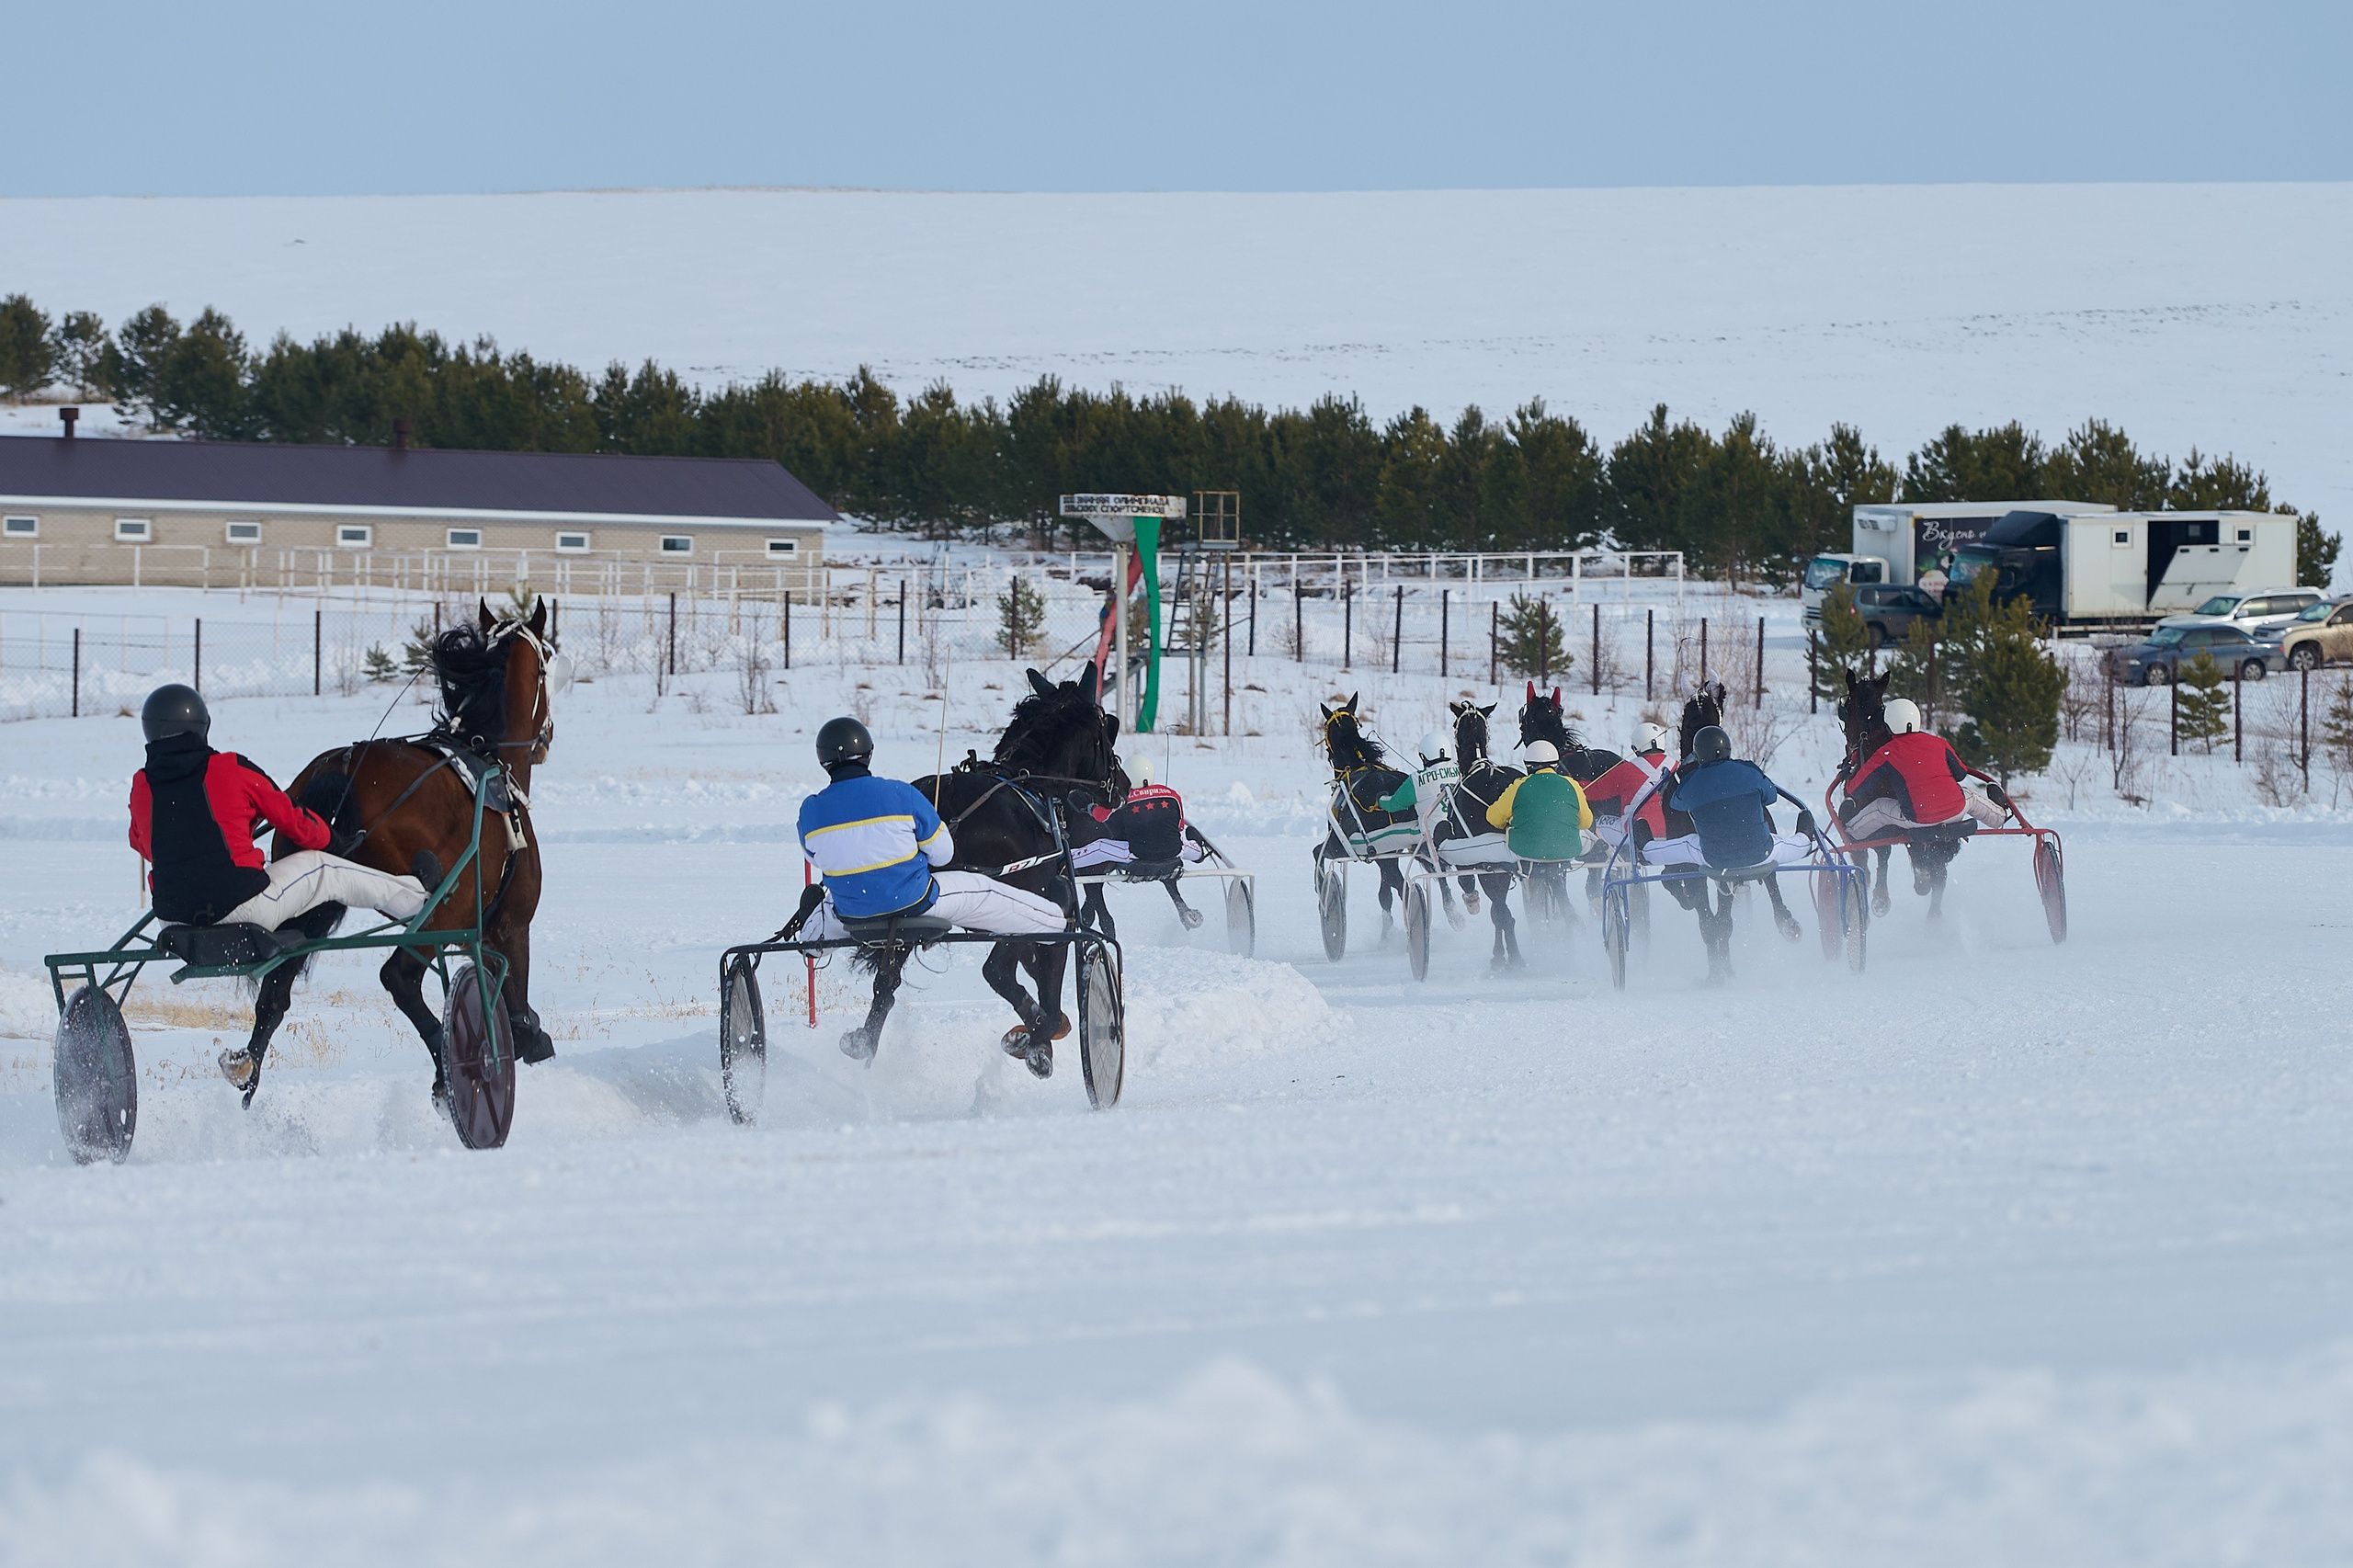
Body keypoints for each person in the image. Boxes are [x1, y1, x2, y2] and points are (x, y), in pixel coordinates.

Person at [129, 684, 430, 934]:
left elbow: (144, 845)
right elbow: (292, 818)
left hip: (172, 919)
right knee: (325, 867)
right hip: (243, 908)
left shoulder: (142, 785)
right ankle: (420, 901)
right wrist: (333, 842)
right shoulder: (229, 768)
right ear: (202, 726)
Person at [796, 716, 1066, 940]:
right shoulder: (901, 794)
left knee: (815, 927)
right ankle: (1055, 922)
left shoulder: (809, 811)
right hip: (916, 901)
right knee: (984, 891)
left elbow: (816, 859)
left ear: (823, 761)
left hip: (851, 911)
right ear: (869, 753)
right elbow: (944, 853)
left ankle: (808, 943)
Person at [1840, 698, 2010, 892]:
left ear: (1888, 725)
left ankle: (1852, 831)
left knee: (1880, 806)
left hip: (1918, 818)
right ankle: (2000, 816)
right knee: (1970, 796)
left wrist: (1848, 773)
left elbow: (1857, 789)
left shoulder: (1886, 753)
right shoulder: (1939, 743)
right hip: (1956, 811)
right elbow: (1961, 774)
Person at [1073, 753, 1209, 928]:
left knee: (1100, 847)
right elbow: (1180, 826)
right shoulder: (1172, 795)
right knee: (1189, 846)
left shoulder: (1122, 799)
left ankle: (1065, 859)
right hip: (1175, 853)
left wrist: (1090, 807)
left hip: (1137, 856)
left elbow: (1101, 817)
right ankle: (1199, 851)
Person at [1483, 739, 1592, 860]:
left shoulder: (1519, 786)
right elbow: (1586, 822)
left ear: (1528, 765)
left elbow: (1493, 818)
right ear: (1556, 763)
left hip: (1523, 851)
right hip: (1568, 851)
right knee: (1589, 840)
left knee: (1465, 849)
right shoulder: (1572, 785)